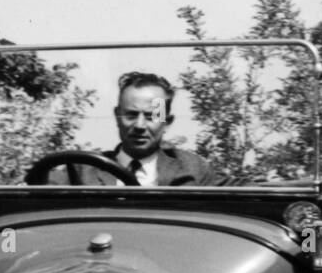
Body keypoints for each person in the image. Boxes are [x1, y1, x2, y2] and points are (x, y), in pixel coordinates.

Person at [56, 71, 216, 186]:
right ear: (117, 116)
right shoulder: (83, 170)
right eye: (131, 115)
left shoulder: (193, 169)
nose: (139, 125)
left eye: (151, 116)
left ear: (166, 122)